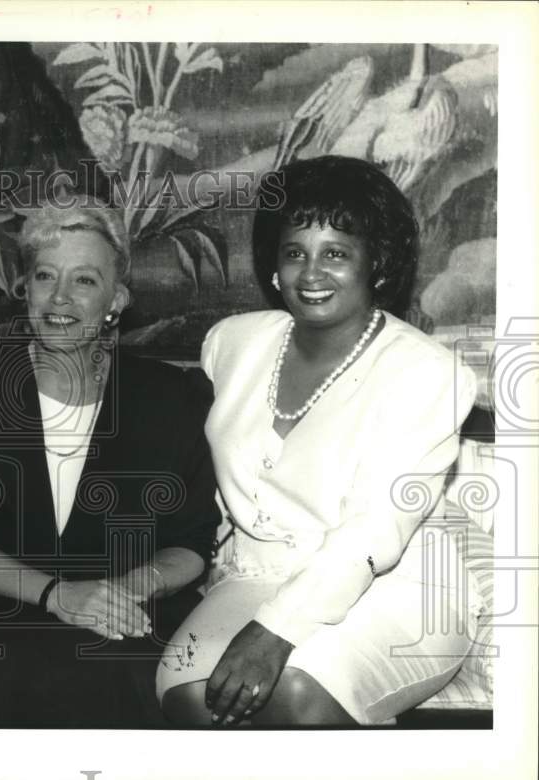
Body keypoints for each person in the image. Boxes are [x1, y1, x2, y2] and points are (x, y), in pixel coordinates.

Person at [156, 155, 481, 726]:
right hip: (257, 573)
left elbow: (377, 528)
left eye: (335, 253)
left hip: (395, 586)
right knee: (189, 700)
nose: (311, 273)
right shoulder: (230, 344)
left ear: (376, 265)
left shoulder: (428, 372)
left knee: (296, 695)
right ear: (274, 266)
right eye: (295, 253)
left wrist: (275, 632)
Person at [0, 195, 221, 727]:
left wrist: (125, 591)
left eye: (84, 280)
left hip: (123, 610)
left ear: (116, 298)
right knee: (13, 667)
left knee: (122, 665)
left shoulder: (171, 395)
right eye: (45, 275)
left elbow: (190, 544)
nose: (60, 297)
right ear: (24, 288)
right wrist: (58, 595)